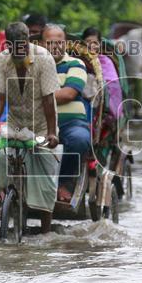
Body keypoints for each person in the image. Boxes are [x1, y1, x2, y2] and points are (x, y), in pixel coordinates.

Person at [0, 22, 61, 233]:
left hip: (40, 125)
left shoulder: (44, 58)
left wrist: (51, 132)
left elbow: (49, 100)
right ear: (9, 46)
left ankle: (46, 229)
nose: (18, 51)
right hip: (15, 125)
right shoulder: (3, 60)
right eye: (13, 47)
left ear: (28, 41)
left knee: (45, 172)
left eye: (21, 46)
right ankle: (5, 200)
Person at [41, 24, 92, 203]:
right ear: (42, 44)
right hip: (39, 122)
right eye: (50, 42)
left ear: (66, 43)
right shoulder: (33, 65)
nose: (55, 46)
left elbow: (69, 94)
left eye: (59, 42)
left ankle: (62, 183)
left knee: (80, 139)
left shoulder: (75, 63)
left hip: (71, 123)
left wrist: (38, 95)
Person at [82, 27, 122, 122]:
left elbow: (113, 85)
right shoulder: (77, 59)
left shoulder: (105, 62)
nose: (91, 45)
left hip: (100, 101)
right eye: (88, 41)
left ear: (99, 44)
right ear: (83, 43)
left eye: (95, 42)